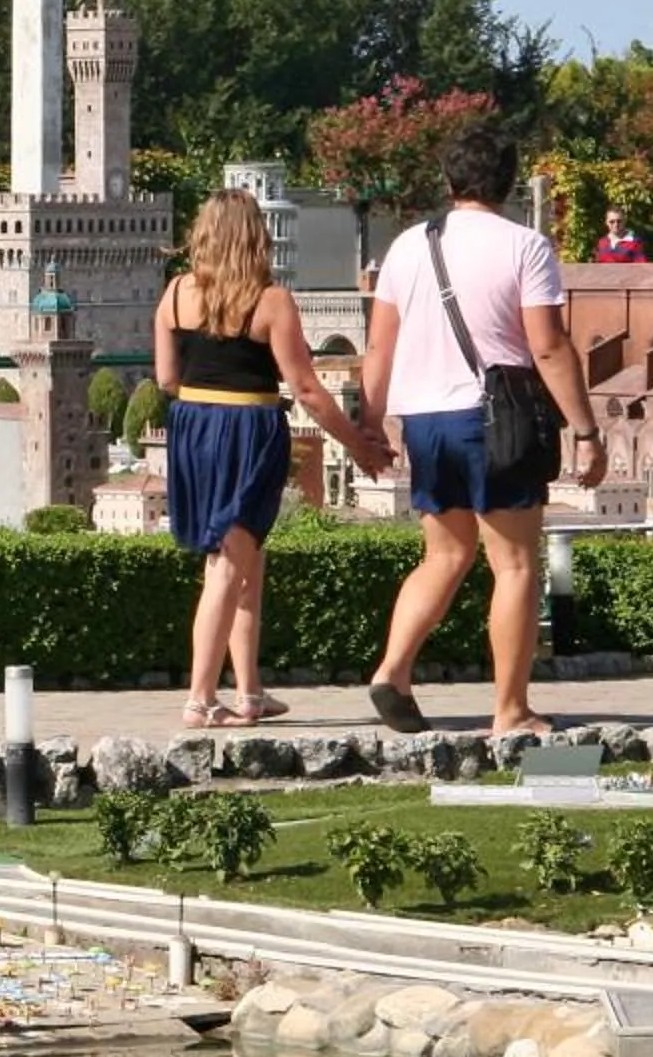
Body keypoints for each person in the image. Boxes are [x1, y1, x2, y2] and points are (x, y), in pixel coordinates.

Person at [362, 124, 606, 737]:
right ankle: (511, 709)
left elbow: (379, 348)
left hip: (425, 419)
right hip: (497, 416)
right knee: (517, 564)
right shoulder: (526, 246)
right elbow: (547, 348)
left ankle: (393, 669)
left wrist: (369, 422)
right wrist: (585, 429)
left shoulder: (408, 246)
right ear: (508, 184)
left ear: (449, 181)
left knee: (444, 554)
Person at [155, 190, 391, 728]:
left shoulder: (173, 295)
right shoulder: (271, 300)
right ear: (255, 237)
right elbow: (306, 387)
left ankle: (250, 691)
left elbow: (167, 378)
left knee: (246, 560)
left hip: (192, 428)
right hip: (246, 428)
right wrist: (356, 443)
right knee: (229, 563)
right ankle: (199, 698)